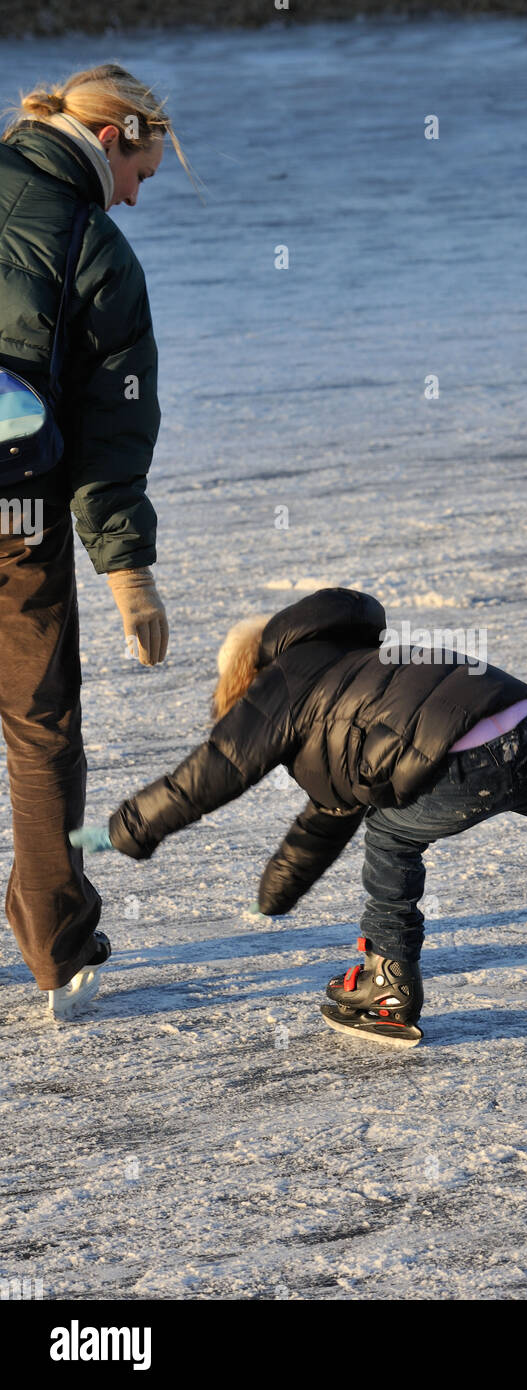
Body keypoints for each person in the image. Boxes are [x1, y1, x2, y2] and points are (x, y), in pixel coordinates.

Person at [69, 587, 527, 1041]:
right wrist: (280, 888)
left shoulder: (278, 689)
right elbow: (328, 811)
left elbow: (203, 778)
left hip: (463, 759)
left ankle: (387, 984)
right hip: (517, 722)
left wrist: (113, 832)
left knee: (389, 839)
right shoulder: (356, 666)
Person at [0, 64, 190, 1016]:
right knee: (38, 726)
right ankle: (53, 946)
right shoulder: (96, 249)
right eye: (143, 173)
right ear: (114, 139)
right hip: (14, 513)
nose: (138, 194)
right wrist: (130, 575)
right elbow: (113, 434)